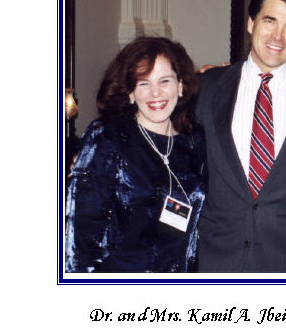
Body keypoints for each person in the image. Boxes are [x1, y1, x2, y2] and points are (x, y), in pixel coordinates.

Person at [196, 0, 286, 273]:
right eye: (269, 21)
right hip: (218, 260)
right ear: (250, 23)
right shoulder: (206, 88)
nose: (278, 36)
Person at [65, 37, 206, 273]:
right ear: (130, 91)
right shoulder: (108, 138)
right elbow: (79, 234)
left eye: (165, 80)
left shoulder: (193, 139)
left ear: (180, 85)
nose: (155, 93)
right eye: (143, 83)